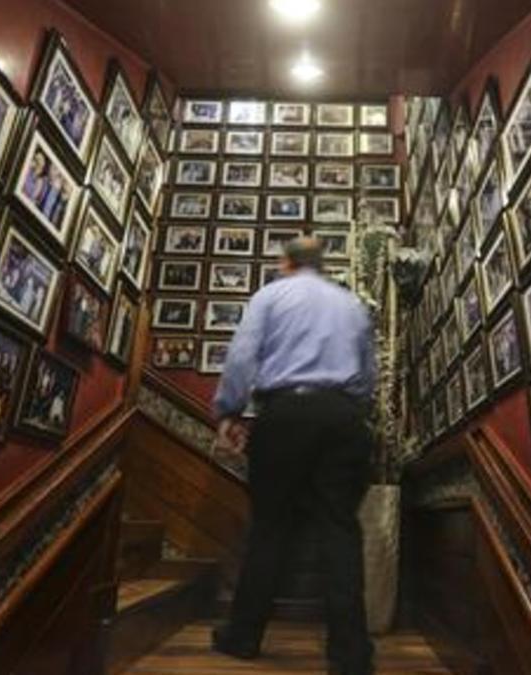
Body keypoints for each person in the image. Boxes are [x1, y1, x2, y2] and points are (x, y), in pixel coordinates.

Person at [210, 237, 377, 675]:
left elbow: (242, 356)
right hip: (343, 417)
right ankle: (352, 657)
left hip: (283, 416)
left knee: (269, 528)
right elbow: (368, 378)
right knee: (341, 533)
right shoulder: (351, 305)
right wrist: (343, 409)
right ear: (320, 265)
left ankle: (242, 637)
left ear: (286, 263)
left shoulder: (270, 296)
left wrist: (229, 411)